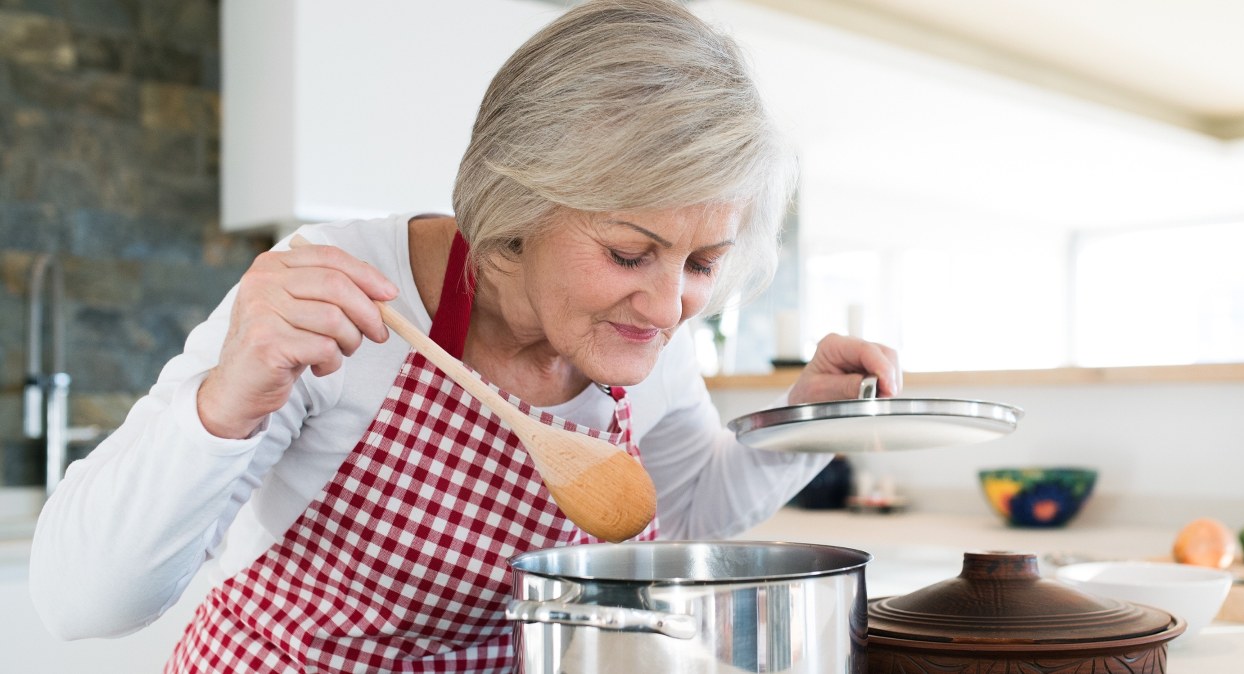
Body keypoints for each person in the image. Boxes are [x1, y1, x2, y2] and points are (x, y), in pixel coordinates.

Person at [30, 0, 900, 671]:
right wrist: (225, 402)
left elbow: (683, 509)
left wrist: (807, 421)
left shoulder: (636, 335)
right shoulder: (332, 295)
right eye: (629, 253)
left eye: (702, 263)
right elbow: (82, 603)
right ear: (516, 206)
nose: (669, 308)